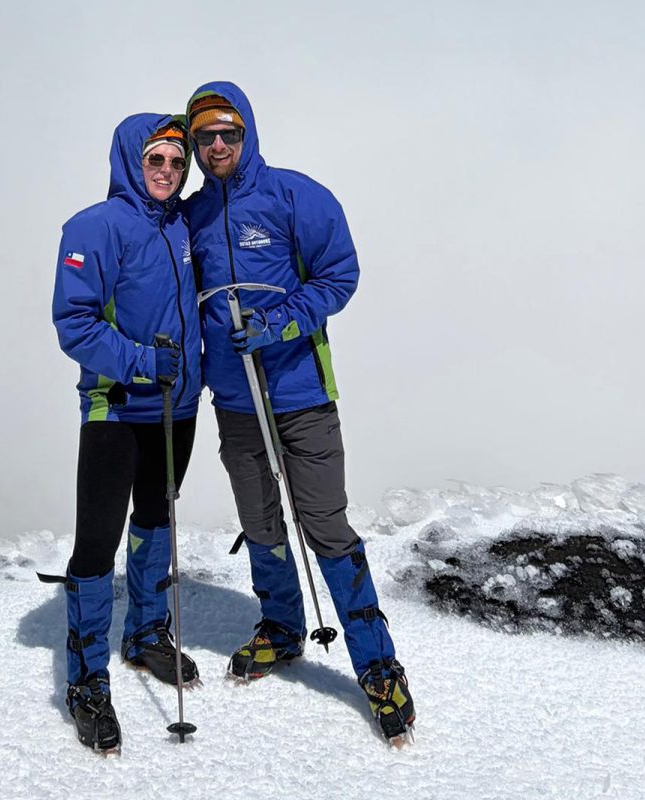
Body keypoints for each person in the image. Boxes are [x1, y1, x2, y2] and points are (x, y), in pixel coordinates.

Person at [182, 82, 415, 741]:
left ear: (247, 131)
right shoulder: (193, 216)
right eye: (205, 135)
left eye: (228, 131)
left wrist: (279, 323)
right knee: (261, 523)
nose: (218, 144)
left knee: (326, 528)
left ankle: (378, 665)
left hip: (301, 394)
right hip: (235, 401)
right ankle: (281, 629)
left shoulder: (296, 196)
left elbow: (339, 275)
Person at [47, 113, 202, 753]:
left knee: (157, 517)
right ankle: (87, 680)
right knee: (97, 541)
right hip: (115, 407)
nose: (167, 171)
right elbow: (74, 322)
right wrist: (141, 361)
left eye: (177, 161)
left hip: (177, 405)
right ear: (130, 161)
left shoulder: (183, 224)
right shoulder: (94, 227)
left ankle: (144, 633)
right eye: (155, 159)